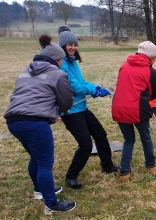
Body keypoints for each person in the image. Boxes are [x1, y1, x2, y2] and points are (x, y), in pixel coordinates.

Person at [4, 35, 77, 214]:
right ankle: (51, 204)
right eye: (61, 60)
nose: (62, 63)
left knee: (36, 158)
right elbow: (66, 102)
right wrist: (59, 109)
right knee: (45, 163)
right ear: (57, 60)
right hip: (35, 123)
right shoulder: (58, 73)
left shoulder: (25, 71)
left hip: (13, 121)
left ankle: (40, 190)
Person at [58, 25, 119, 189]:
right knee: (85, 144)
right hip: (70, 111)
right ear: (63, 46)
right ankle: (71, 176)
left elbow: (82, 82)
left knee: (100, 134)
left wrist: (96, 87)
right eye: (69, 45)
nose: (73, 48)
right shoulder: (62, 64)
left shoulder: (72, 62)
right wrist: (93, 91)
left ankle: (107, 166)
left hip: (82, 108)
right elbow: (75, 87)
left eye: (75, 45)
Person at [112, 41, 156, 181]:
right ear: (150, 57)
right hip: (138, 110)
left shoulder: (124, 65)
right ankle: (151, 166)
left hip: (119, 108)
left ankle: (124, 173)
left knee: (128, 140)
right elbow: (153, 94)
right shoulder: (150, 71)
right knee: (146, 138)